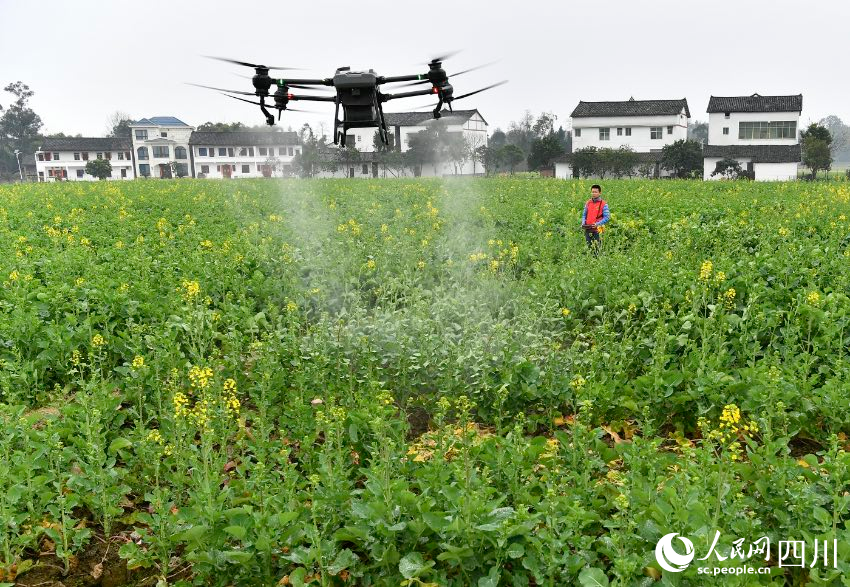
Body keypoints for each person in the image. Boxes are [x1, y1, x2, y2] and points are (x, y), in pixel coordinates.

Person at [581, 184, 610, 255]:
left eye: (595, 192)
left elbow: (607, 217)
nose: (593, 194)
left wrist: (597, 224)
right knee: (589, 247)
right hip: (588, 228)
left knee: (597, 248)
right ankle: (591, 263)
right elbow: (584, 214)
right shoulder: (588, 203)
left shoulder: (604, 204)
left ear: (600, 193)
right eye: (592, 192)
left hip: (598, 230)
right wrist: (583, 222)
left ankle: (598, 262)